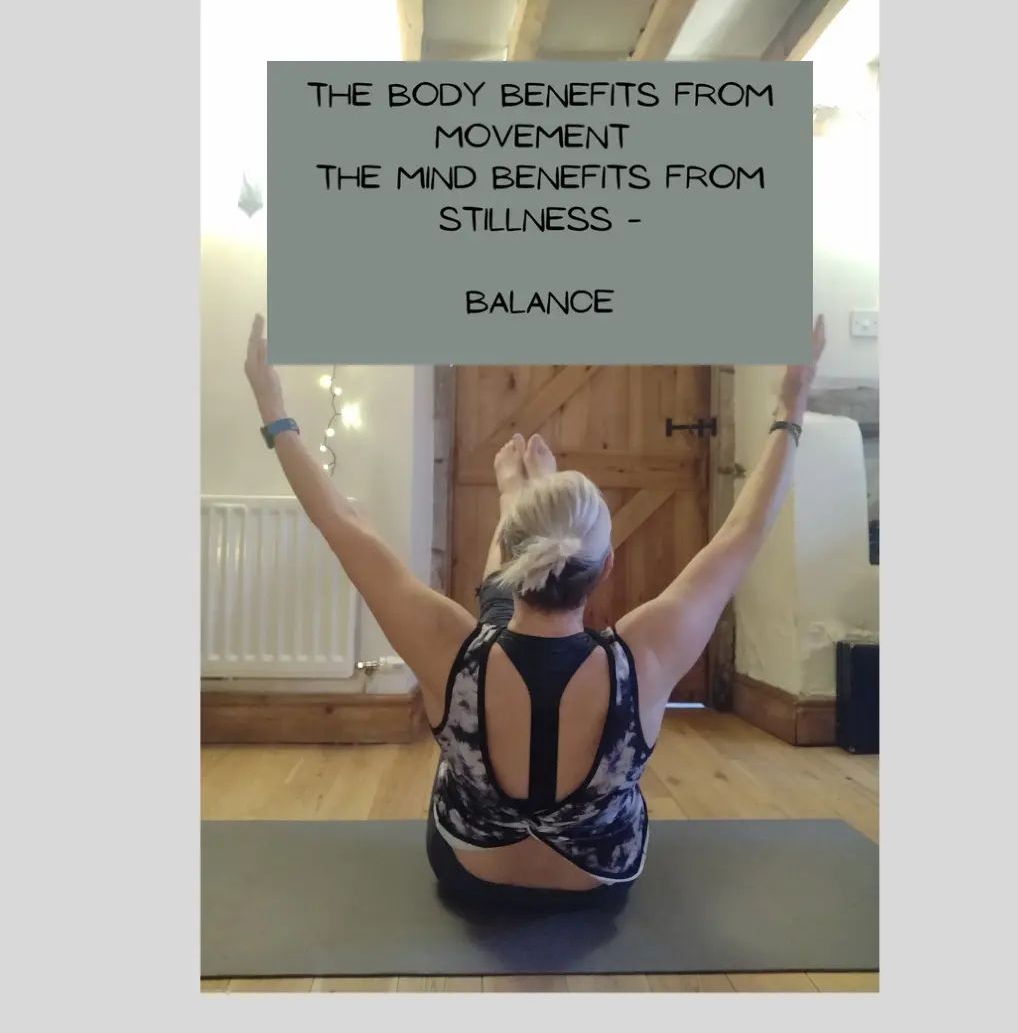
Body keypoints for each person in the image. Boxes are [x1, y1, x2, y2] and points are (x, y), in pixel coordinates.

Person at [244, 314, 826, 908]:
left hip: (471, 870)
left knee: (486, 637)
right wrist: (792, 405)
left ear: (514, 560)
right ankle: (520, 499)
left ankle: (516, 502)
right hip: (596, 881)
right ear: (606, 568)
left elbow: (342, 524)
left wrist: (274, 408)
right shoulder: (646, 654)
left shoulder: (445, 645)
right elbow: (743, 532)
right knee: (490, 634)